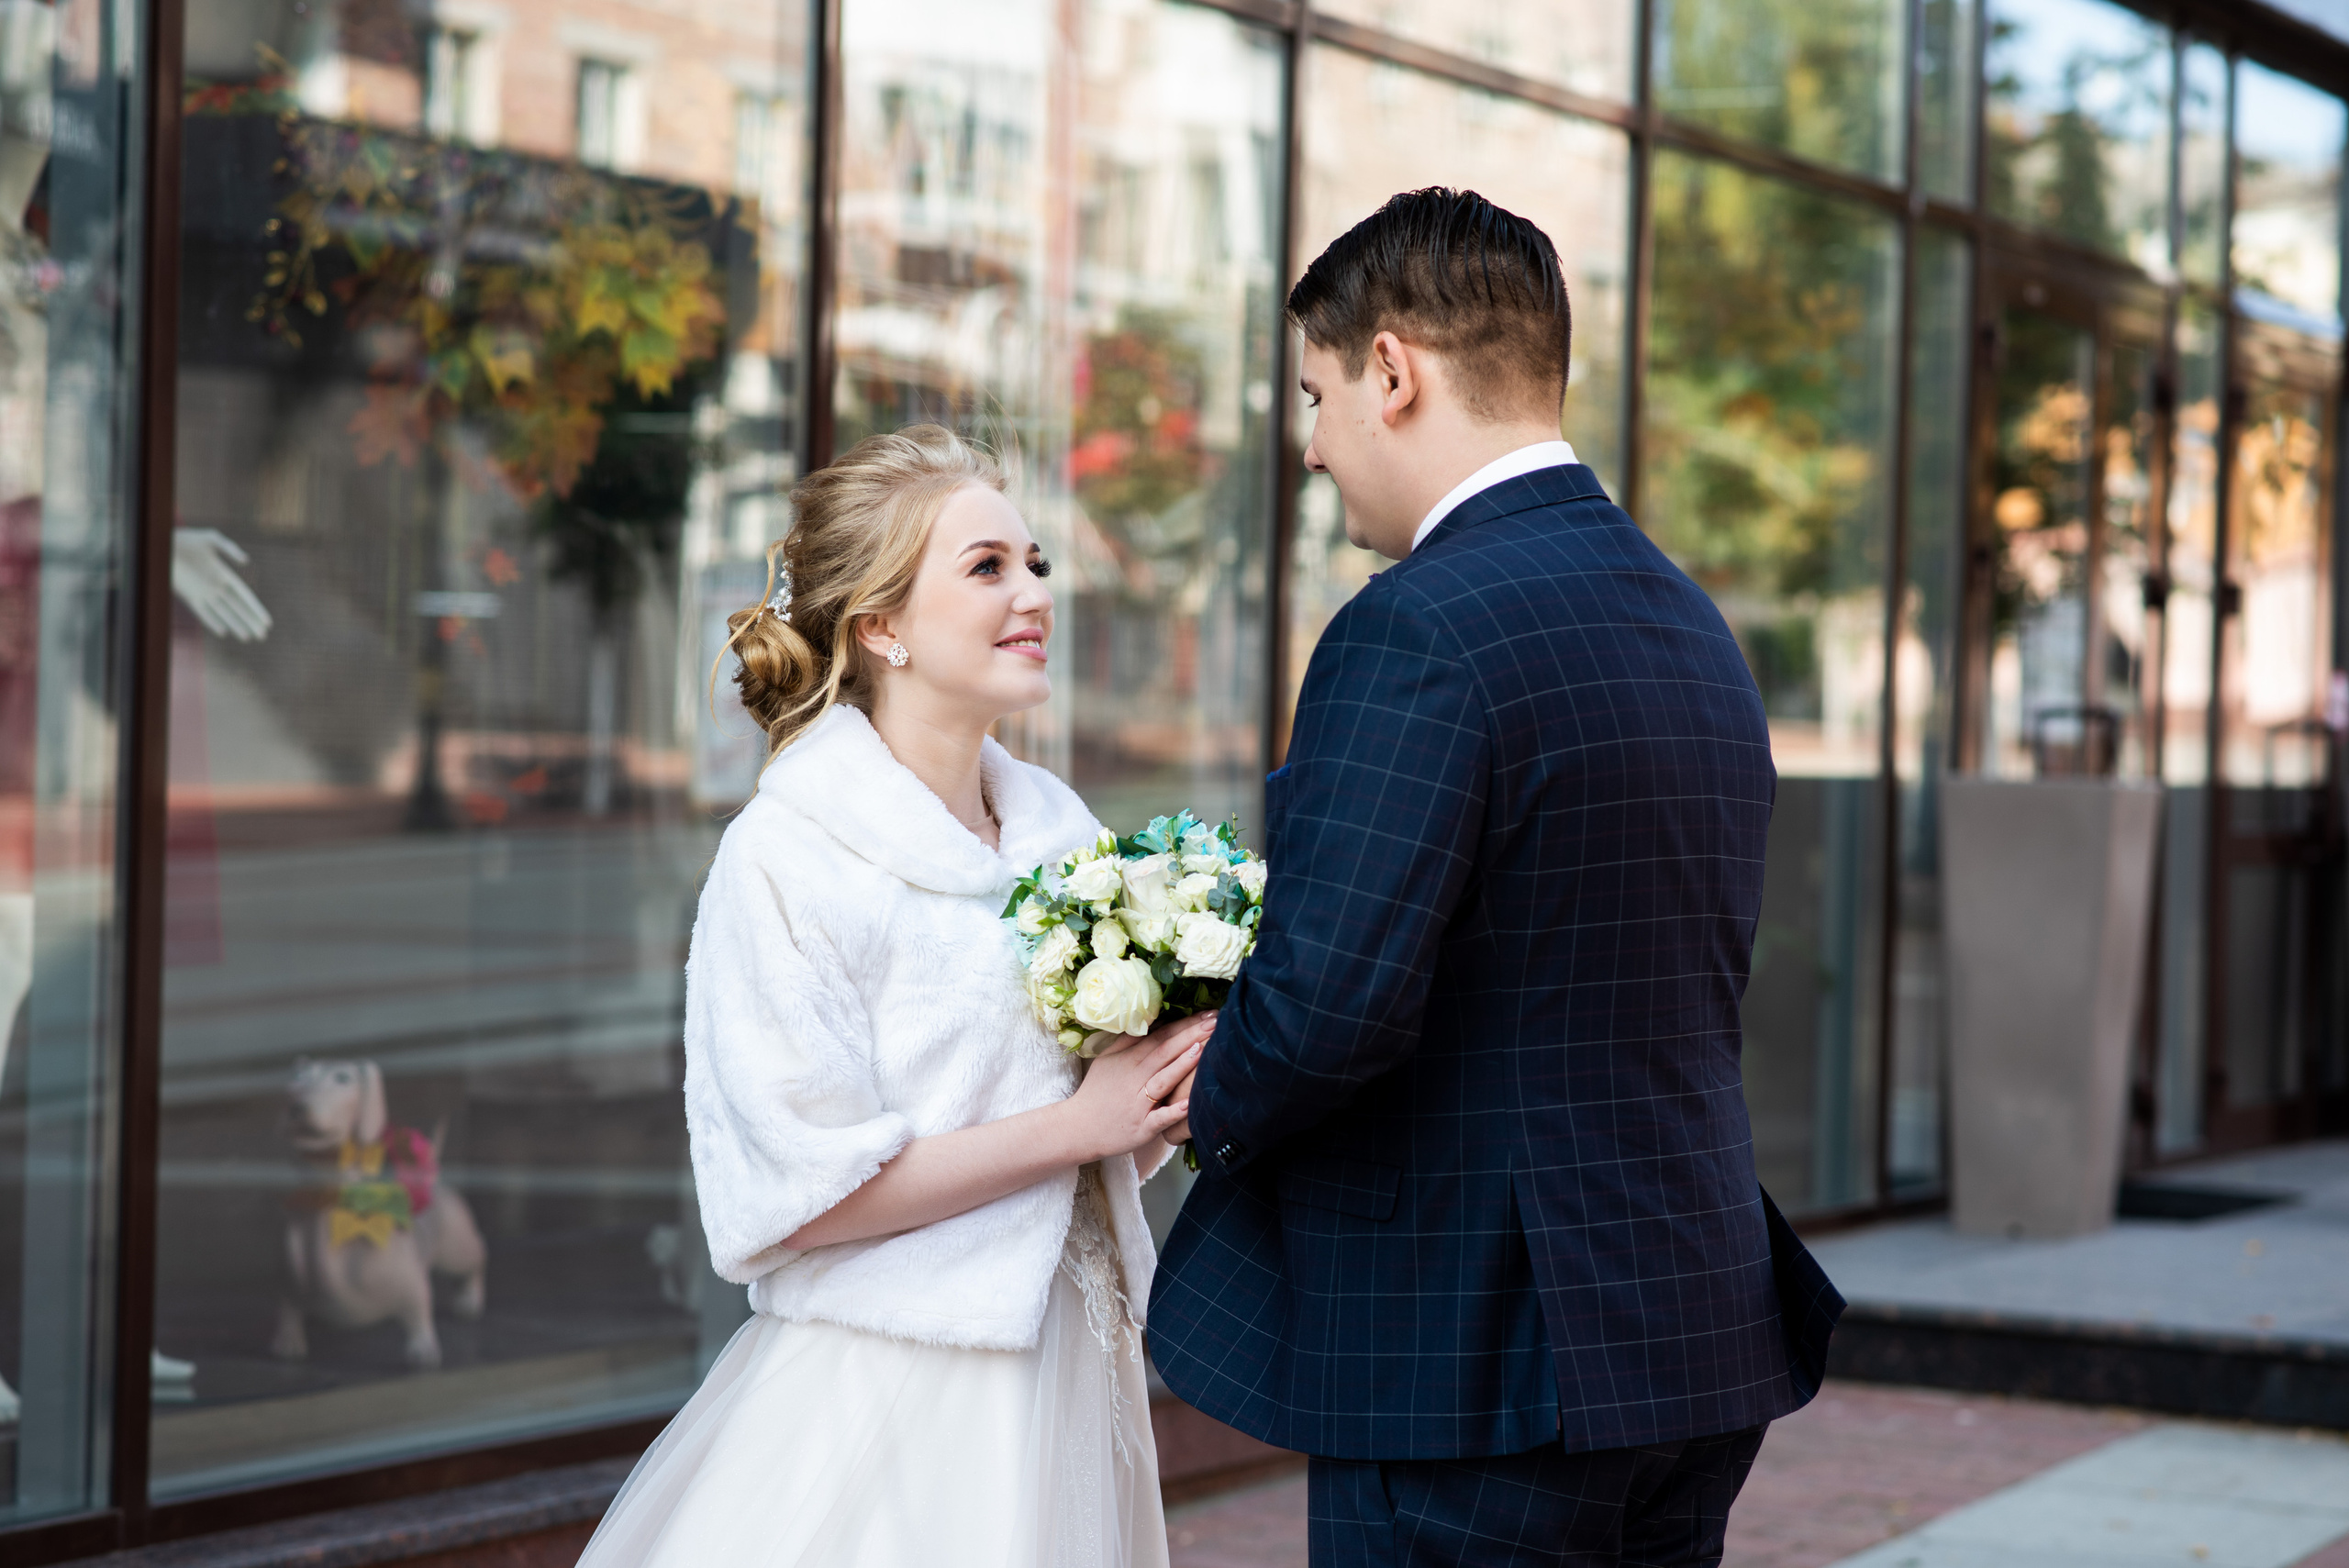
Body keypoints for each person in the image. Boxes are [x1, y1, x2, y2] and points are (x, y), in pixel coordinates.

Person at [1150, 189, 1843, 1568]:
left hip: (1479, 1363)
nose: (1313, 448)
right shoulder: (1691, 622)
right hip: (1686, 1327)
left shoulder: (1412, 627)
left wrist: (1186, 1098)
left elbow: (1333, 1000)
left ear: (1393, 372)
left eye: (1316, 394)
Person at [575, 425, 1208, 1568]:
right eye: (985, 567)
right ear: (880, 627)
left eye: (1034, 564)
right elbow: (795, 1200)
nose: (1033, 594)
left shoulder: (1060, 833)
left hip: (1075, 1367)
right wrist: (1081, 1124)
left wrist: (1165, 1087)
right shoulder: (788, 856)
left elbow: (1096, 1128)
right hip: (895, 1396)